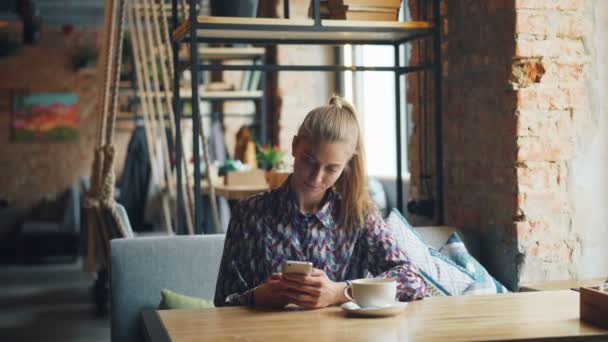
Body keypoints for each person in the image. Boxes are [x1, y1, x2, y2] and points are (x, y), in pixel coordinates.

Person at [214, 95, 428, 308]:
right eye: (309, 161)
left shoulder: (358, 215)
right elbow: (222, 302)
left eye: (331, 169)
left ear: (346, 165)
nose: (316, 178)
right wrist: (256, 297)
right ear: (295, 145)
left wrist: (340, 292)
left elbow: (413, 280)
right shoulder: (249, 213)